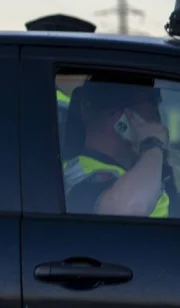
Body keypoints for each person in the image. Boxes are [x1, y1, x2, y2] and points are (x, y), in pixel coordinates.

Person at [62, 75, 172, 217]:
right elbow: (129, 210)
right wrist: (153, 144)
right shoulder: (79, 177)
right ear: (122, 118)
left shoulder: (134, 172)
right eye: (153, 102)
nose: (158, 115)